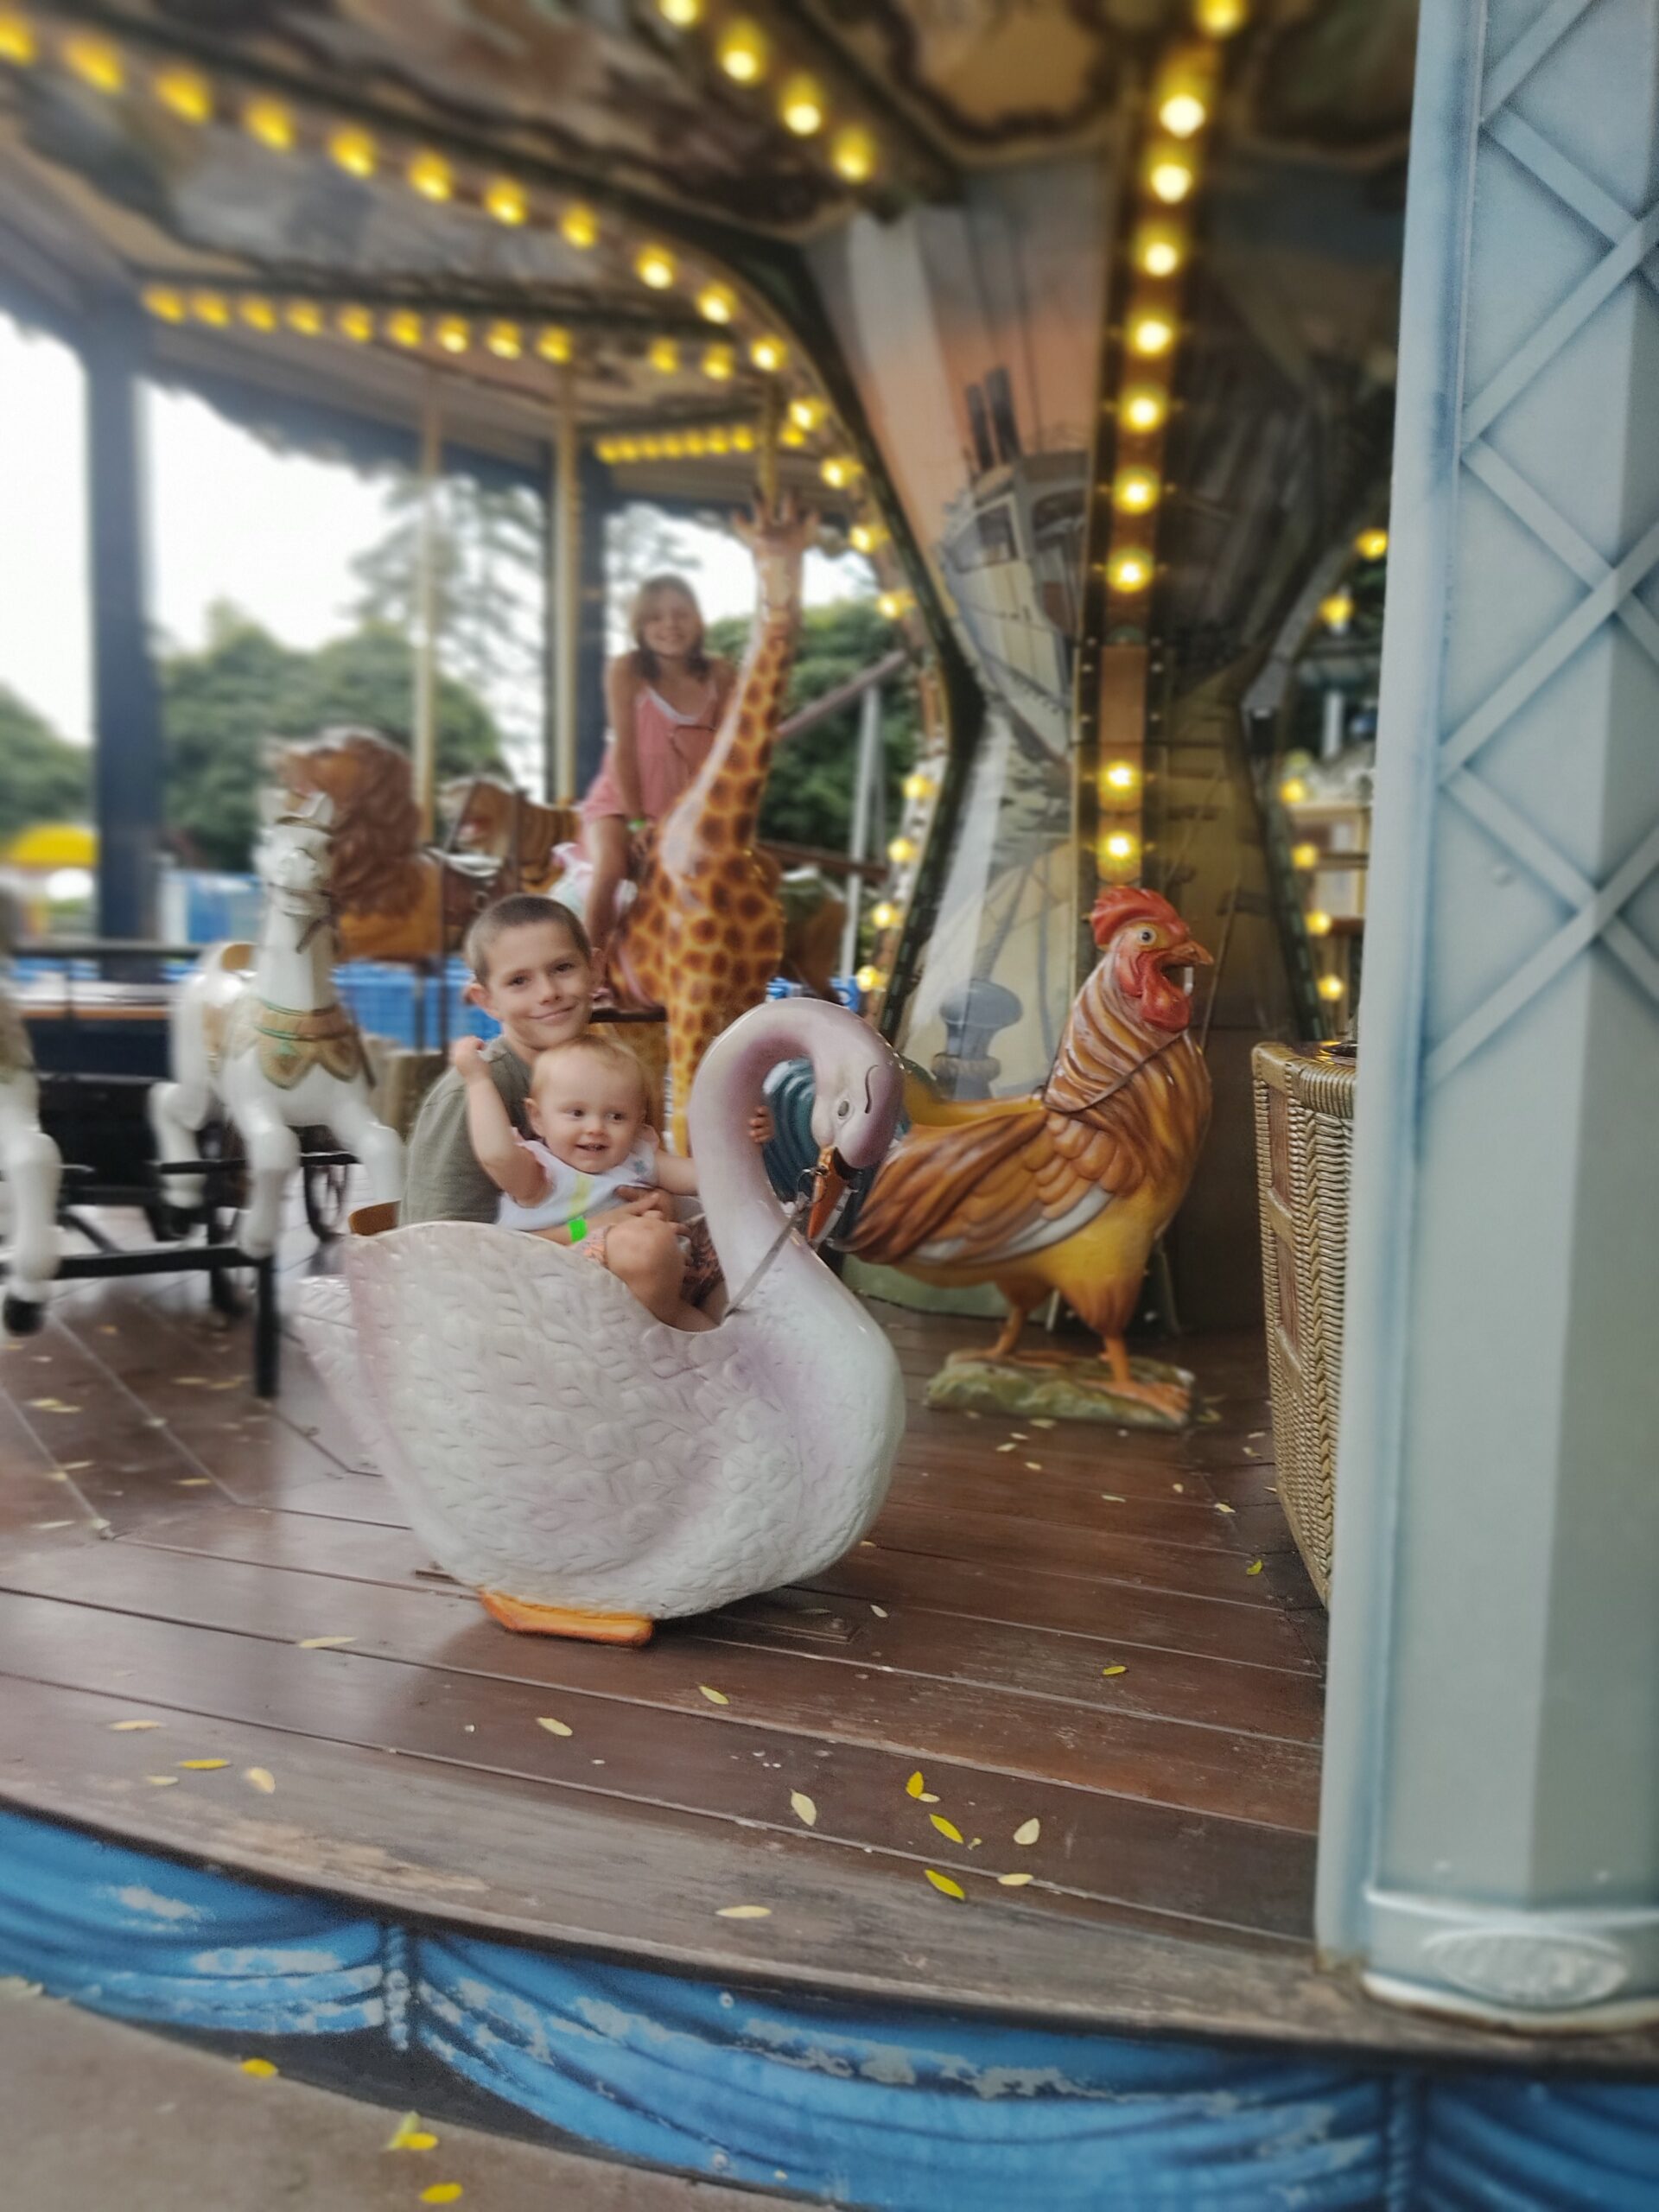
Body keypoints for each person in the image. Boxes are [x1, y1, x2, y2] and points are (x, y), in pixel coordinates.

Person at [454, 1032, 712, 1333]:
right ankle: (662, 1337)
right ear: (538, 1118)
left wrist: (751, 1141)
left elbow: (712, 1177)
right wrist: (478, 1082)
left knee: (732, 1240)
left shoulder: (636, 1158)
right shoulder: (541, 1173)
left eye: (616, 1116)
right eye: (576, 1113)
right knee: (643, 1242)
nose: (595, 1128)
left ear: (637, 1121)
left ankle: (707, 1342)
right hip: (570, 1292)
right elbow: (497, 1155)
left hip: (666, 1282)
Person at [579, 575, 736, 979]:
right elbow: (625, 750)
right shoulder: (628, 671)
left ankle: (702, 972)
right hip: (621, 802)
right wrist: (637, 821)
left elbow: (726, 755)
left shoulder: (720, 675)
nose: (670, 625)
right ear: (640, 627)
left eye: (680, 614)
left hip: (682, 809)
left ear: (697, 620)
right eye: (656, 618)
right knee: (611, 869)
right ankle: (586, 968)